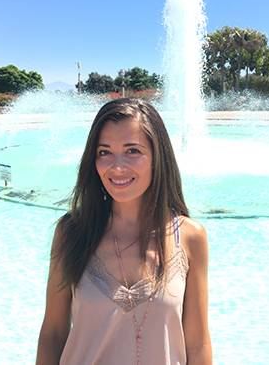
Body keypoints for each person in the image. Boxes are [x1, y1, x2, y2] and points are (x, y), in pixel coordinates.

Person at [36, 97, 212, 365]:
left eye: (133, 151)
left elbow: (197, 344)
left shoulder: (189, 237)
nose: (117, 167)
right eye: (104, 152)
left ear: (157, 157)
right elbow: (53, 333)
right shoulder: (72, 232)